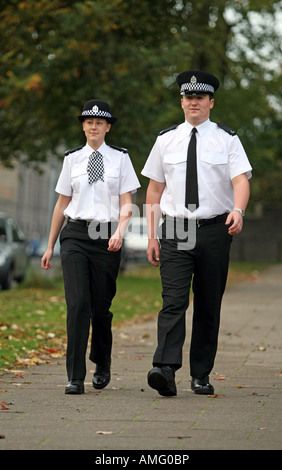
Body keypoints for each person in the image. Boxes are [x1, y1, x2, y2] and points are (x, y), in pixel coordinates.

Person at [141, 70, 252, 397]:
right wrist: (151, 235)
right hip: (175, 229)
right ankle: (164, 368)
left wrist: (239, 210)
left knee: (207, 304)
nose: (194, 102)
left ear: (210, 102)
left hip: (216, 229)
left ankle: (201, 374)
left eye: (200, 98)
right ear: (182, 101)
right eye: (188, 97)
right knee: (173, 301)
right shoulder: (165, 140)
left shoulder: (227, 139)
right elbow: (154, 190)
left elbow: (241, 180)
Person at [41, 99, 140, 394]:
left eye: (99, 122)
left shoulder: (121, 159)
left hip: (107, 237)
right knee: (78, 304)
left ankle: (102, 361)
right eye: (88, 122)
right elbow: (62, 203)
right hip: (74, 235)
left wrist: (120, 231)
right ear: (83, 126)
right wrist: (50, 247)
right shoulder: (71, 159)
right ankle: (75, 375)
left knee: (100, 307)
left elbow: (126, 202)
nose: (93, 126)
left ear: (107, 127)